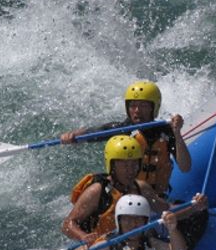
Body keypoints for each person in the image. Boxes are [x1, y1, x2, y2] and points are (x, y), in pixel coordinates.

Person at [61, 134, 207, 246]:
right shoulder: (97, 191)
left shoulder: (141, 187)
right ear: (112, 165)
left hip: (132, 246)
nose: (130, 170)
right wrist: (83, 237)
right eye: (124, 165)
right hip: (104, 249)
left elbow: (167, 210)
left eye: (133, 164)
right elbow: (68, 224)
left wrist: (194, 207)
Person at [60, 80, 191, 198]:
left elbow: (185, 167)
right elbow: (93, 132)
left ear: (154, 107)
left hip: (157, 198)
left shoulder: (166, 132)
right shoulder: (122, 129)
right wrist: (73, 136)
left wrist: (177, 133)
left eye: (143, 106)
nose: (137, 111)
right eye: (132, 105)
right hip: (127, 198)